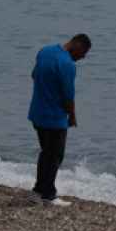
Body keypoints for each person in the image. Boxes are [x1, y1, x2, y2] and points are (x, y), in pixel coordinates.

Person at [27, 33, 92, 202]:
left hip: (37, 113)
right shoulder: (68, 64)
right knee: (56, 155)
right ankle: (47, 194)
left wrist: (47, 90)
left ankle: (39, 190)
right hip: (54, 118)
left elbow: (34, 75)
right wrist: (72, 117)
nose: (83, 57)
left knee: (46, 153)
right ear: (77, 46)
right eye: (83, 53)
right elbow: (68, 97)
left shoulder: (45, 51)